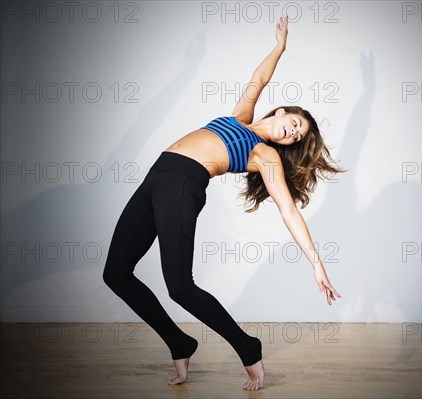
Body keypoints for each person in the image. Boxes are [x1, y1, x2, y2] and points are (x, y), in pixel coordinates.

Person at [102, 15, 343, 391]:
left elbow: (288, 210)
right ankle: (179, 341)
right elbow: (258, 80)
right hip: (157, 175)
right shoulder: (241, 119)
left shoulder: (265, 156)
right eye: (295, 122)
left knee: (180, 287)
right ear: (281, 112)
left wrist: (317, 264)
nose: (294, 131)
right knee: (115, 274)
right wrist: (279, 48)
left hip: (184, 183)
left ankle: (248, 349)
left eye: (298, 135)